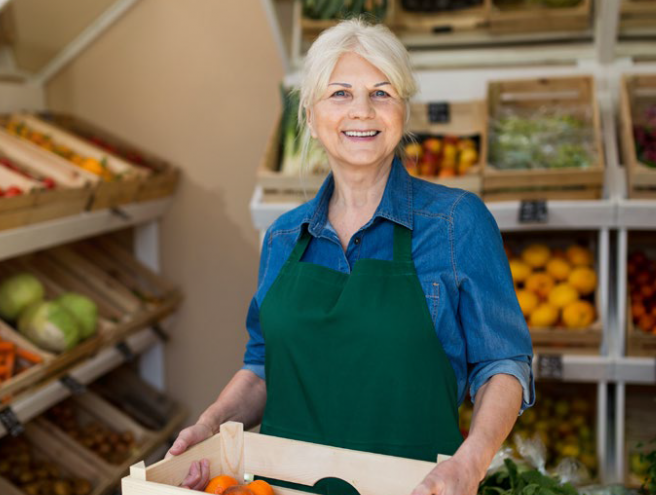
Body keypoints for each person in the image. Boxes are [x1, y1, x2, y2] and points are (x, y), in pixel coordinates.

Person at [166, 18, 534, 495]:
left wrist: (472, 461)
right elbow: (263, 366)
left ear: (402, 112)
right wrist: (210, 426)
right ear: (312, 118)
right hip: (280, 488)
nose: (362, 111)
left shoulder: (456, 223)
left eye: (381, 93)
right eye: (340, 93)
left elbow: (503, 363)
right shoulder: (283, 236)